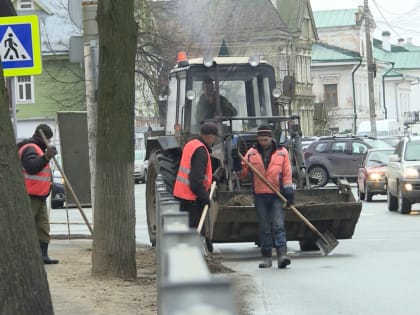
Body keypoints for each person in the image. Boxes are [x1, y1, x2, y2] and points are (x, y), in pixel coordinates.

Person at [233, 125, 294, 268]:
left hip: (277, 195)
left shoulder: (282, 152)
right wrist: (236, 162)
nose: (263, 142)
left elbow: (287, 175)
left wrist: (289, 193)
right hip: (260, 195)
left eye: (265, 140)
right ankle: (266, 258)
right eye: (260, 140)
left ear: (271, 138)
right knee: (264, 227)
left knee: (278, 225)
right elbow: (242, 174)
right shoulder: (251, 153)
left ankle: (282, 256)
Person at [18, 124, 59, 264]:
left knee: (42, 227)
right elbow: (31, 168)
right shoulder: (30, 148)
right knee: (25, 227)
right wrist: (46, 157)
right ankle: (23, 257)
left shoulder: (38, 149)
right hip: (29, 195)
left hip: (39, 196)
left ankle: (43, 256)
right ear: (44, 138)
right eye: (49, 139)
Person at [173, 122, 218, 242]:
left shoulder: (191, 144)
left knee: (186, 235)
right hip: (192, 200)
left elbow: (191, 170)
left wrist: (211, 178)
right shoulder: (201, 151)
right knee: (195, 236)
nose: (214, 141)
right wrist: (205, 197)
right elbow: (195, 181)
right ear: (210, 136)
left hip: (182, 196)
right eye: (215, 137)